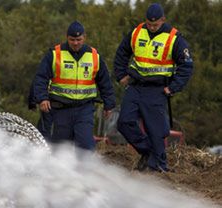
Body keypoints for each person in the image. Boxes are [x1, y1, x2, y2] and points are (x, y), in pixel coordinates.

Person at [114, 3, 193, 172]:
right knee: (124, 122)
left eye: (155, 24)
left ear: (163, 20)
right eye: (149, 24)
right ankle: (148, 152)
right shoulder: (137, 32)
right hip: (135, 86)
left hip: (157, 90)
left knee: (156, 131)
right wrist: (121, 75)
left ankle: (159, 166)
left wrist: (173, 87)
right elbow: (122, 52)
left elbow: (186, 66)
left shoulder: (174, 38)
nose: (151, 27)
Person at [32, 21, 116, 151]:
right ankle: (61, 171)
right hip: (60, 109)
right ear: (67, 37)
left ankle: (85, 170)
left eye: (79, 39)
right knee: (60, 149)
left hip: (84, 109)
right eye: (72, 40)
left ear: (84, 37)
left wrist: (109, 104)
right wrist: (42, 98)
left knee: (86, 146)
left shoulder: (94, 56)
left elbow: (105, 82)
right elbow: (41, 78)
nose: (75, 43)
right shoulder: (55, 54)